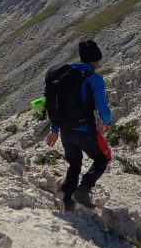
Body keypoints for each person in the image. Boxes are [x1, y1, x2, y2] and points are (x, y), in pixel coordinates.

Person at [44, 39, 113, 210]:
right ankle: (83, 189)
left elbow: (57, 103)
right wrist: (107, 121)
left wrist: (55, 129)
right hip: (84, 130)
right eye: (98, 60)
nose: (99, 64)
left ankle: (68, 199)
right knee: (102, 158)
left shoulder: (65, 74)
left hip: (66, 131)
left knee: (74, 163)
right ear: (95, 60)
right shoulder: (94, 79)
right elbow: (102, 106)